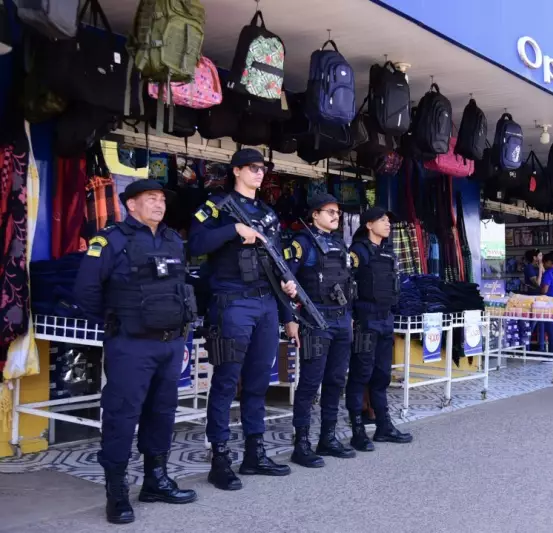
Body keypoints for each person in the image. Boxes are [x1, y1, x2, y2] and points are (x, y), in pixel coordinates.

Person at [74, 180, 198, 524]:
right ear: (131, 205)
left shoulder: (173, 239)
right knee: (122, 415)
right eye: (150, 199)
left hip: (169, 344)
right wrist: (118, 321)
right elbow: (85, 291)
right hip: (130, 344)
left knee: (162, 412)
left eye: (161, 199)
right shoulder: (111, 239)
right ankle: (116, 492)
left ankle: (155, 481)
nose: (159, 205)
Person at [188, 148, 297, 491]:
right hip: (232, 303)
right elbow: (195, 243)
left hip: (265, 305)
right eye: (252, 167)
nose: (259, 173)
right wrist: (232, 229)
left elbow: (276, 260)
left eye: (263, 168)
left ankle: (255, 452)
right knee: (225, 382)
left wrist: (288, 293)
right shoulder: (217, 206)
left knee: (257, 383)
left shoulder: (267, 214)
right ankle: (220, 458)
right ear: (236, 171)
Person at [283, 193, 355, 468]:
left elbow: (349, 284)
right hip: (315, 321)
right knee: (311, 383)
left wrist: (349, 316)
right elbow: (285, 281)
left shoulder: (339, 244)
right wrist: (290, 318)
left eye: (338, 212)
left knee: (336, 380)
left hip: (340, 319)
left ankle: (328, 437)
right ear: (314, 215)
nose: (336, 216)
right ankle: (301, 444)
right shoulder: (302, 244)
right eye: (330, 212)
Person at [345, 207, 412, 452]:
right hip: (365, 319)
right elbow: (345, 285)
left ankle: (384, 426)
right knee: (360, 374)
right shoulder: (357, 251)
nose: (387, 224)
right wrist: (350, 317)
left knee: (382, 375)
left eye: (388, 220)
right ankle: (357, 430)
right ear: (369, 224)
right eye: (382, 220)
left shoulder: (387, 252)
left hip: (385, 320)